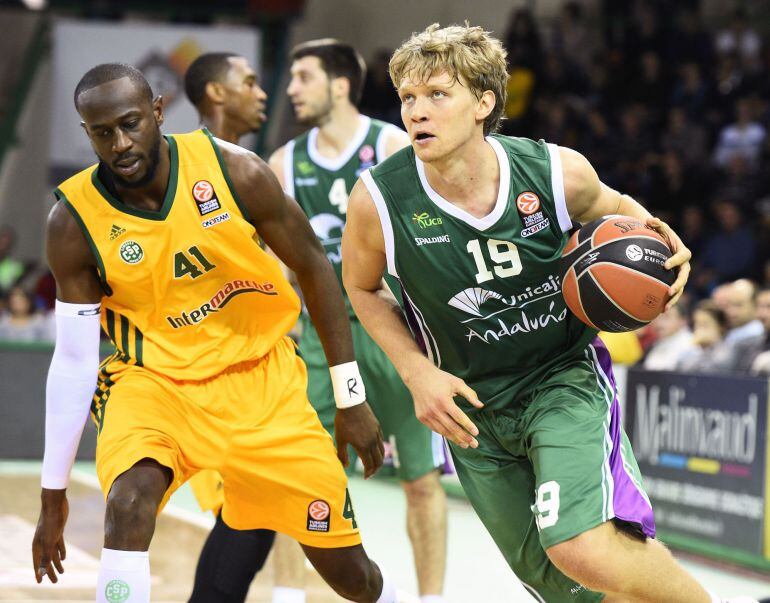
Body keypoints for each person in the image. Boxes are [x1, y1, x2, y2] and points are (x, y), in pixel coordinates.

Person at [341, 23, 756, 603]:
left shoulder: (556, 174)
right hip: (472, 405)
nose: (417, 111)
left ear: (484, 103)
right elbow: (361, 290)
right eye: (409, 97)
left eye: (438, 95)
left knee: (580, 545)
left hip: (559, 376)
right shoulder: (378, 200)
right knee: (559, 583)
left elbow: (619, 210)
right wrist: (417, 372)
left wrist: (666, 243)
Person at [31, 62, 400, 603]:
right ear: (87, 133)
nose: (120, 143)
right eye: (103, 132)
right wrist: (51, 492)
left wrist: (350, 396)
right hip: (154, 385)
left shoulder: (236, 172)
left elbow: (315, 266)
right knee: (128, 505)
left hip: (261, 382)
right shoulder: (72, 223)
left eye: (131, 123)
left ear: (159, 111)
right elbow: (73, 360)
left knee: (354, 578)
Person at [268, 39, 448, 603]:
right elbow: (275, 263)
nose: (292, 88)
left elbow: (426, 234)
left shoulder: (392, 144)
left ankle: (431, 599)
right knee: (297, 475)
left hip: (389, 324)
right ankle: (287, 597)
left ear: (339, 84)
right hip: (321, 338)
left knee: (419, 479)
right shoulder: (283, 164)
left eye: (303, 76)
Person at [183, 52, 276, 603]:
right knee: (247, 513)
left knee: (255, 513)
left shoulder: (245, 165)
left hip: (251, 368)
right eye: (249, 81)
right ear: (216, 93)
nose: (262, 92)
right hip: (210, 371)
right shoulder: (190, 168)